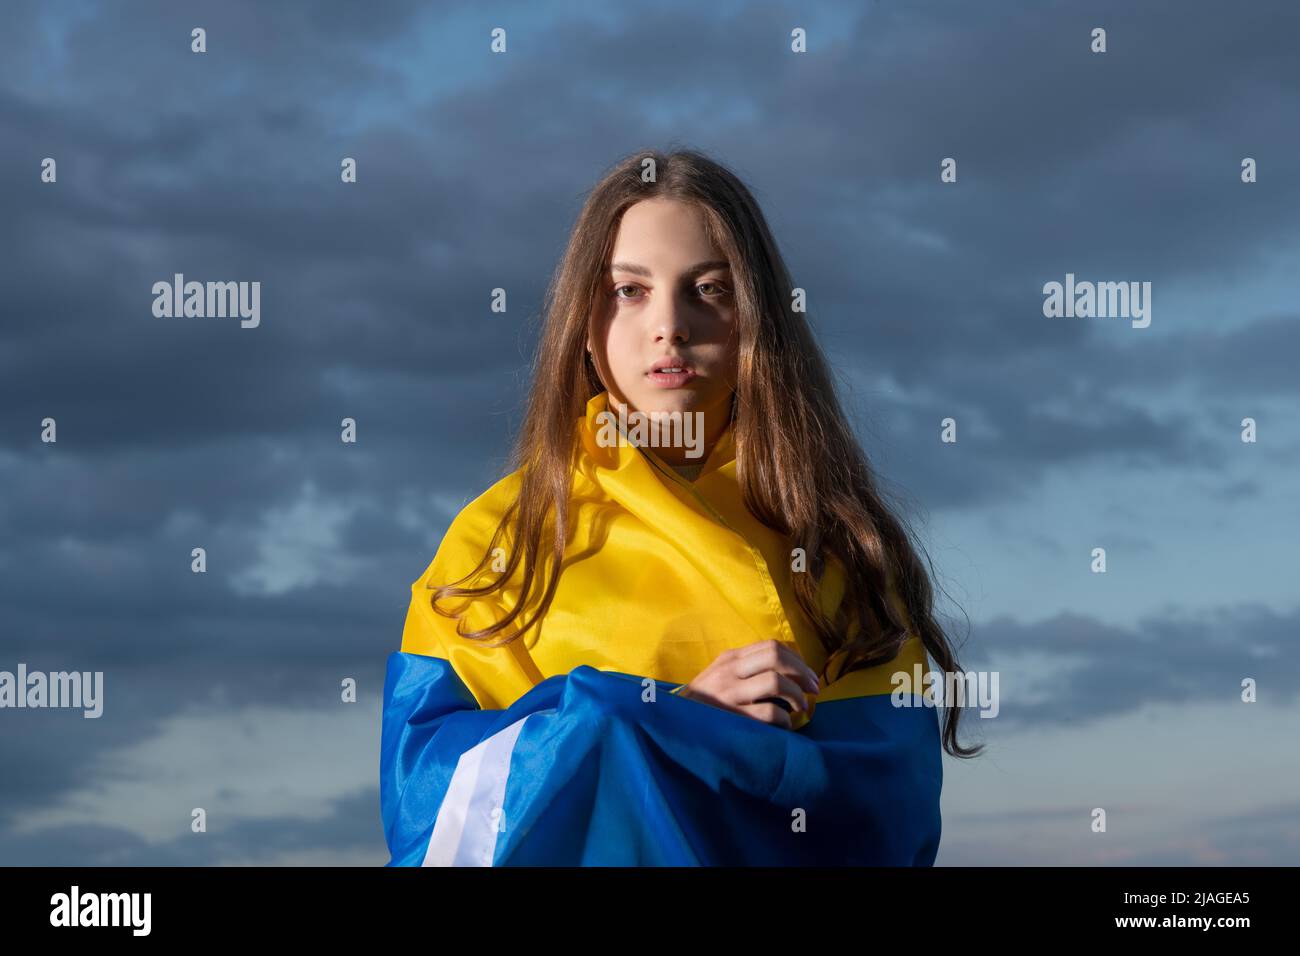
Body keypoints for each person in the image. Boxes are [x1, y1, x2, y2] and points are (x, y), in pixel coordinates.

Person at [380, 147, 980, 866]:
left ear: (757, 317)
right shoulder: (496, 541)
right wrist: (676, 718)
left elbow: (889, 807)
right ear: (583, 318)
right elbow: (434, 815)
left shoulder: (837, 539)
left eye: (710, 289)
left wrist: (660, 742)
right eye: (629, 291)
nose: (670, 325)